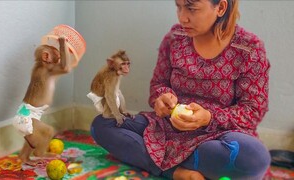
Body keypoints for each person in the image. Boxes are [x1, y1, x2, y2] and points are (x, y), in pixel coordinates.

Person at [91, 0, 271, 179]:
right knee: (102, 125)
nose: (183, 17)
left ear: (221, 7)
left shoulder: (249, 49)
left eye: (192, 8)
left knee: (255, 158)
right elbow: (158, 85)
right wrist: (161, 98)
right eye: (179, 7)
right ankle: (174, 172)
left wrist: (208, 118)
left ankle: (154, 157)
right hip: (166, 129)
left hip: (217, 135)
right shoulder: (175, 37)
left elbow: (252, 111)